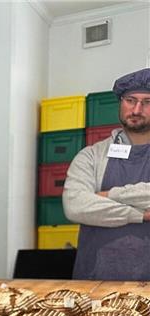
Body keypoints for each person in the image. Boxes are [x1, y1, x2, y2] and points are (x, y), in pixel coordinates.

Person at [63, 67, 150, 280]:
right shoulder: (91, 156)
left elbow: (89, 203)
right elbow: (76, 205)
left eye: (147, 102)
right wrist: (140, 215)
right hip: (96, 278)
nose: (137, 109)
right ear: (121, 103)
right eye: (130, 100)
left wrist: (107, 195)